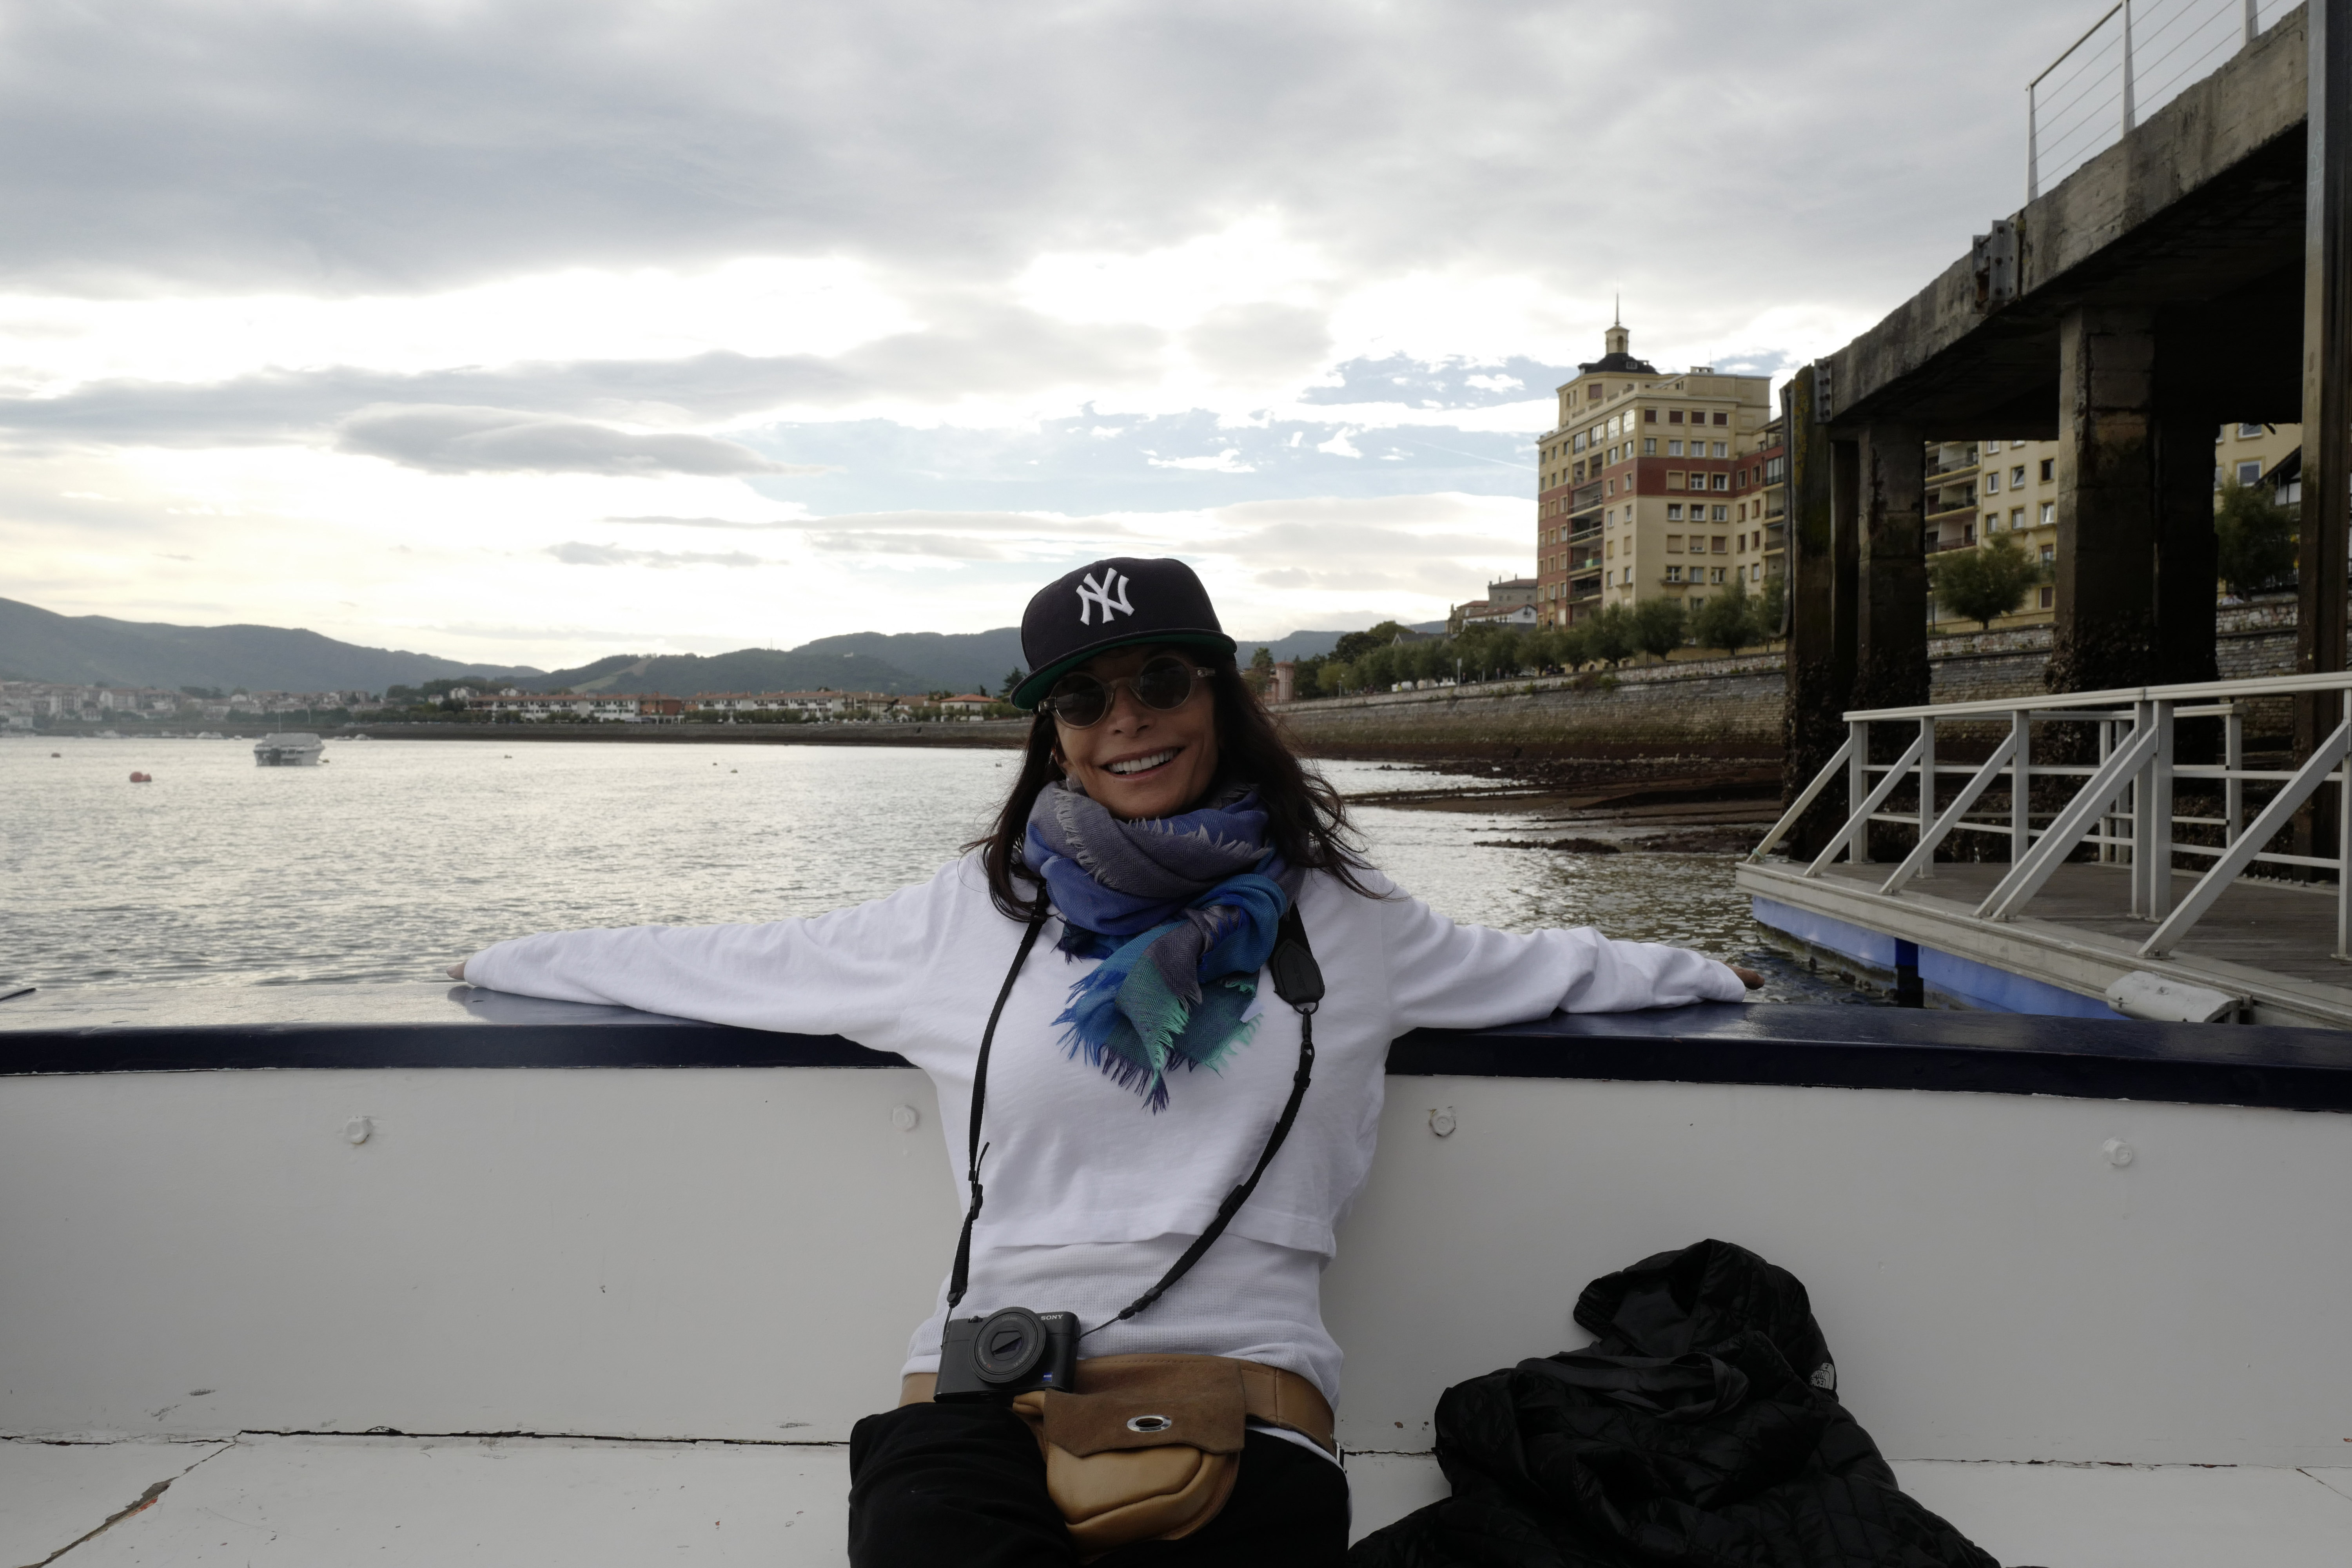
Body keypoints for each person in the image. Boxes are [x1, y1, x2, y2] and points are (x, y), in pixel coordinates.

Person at [449, 557, 1763, 1566]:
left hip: (1249, 1397)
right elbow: (730, 963)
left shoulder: (1347, 921)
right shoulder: (966, 919)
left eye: (1161, 682)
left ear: (1220, 697)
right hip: (982, 1389)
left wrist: (1706, 970)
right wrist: (509, 956)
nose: (1124, 720)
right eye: (1083, 698)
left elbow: (1543, 967)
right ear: (1053, 732)